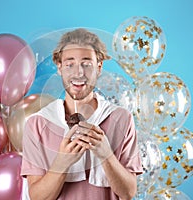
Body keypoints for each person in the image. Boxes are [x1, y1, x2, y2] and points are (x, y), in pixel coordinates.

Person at [21, 28, 143, 200]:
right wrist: (62, 162)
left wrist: (106, 155)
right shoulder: (38, 124)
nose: (78, 73)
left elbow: (129, 192)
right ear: (60, 68)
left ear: (99, 67)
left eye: (86, 64)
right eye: (70, 64)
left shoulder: (121, 118)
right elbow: (37, 197)